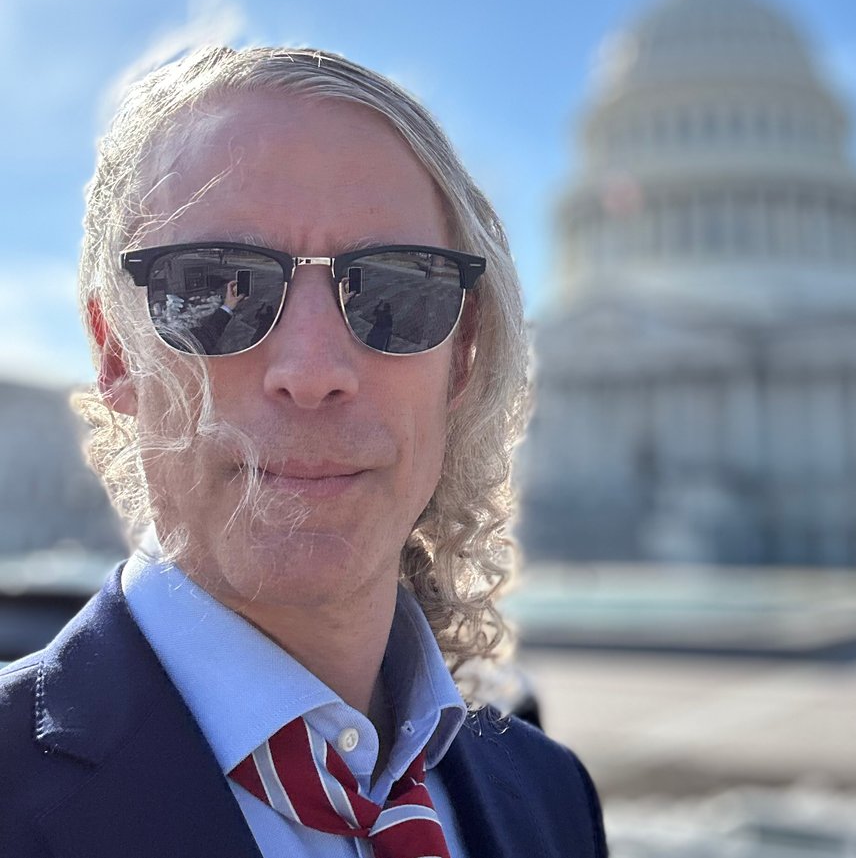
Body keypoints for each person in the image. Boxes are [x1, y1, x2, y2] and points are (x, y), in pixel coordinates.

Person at [0, 47, 607, 857]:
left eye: (396, 291)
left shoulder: (551, 799)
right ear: (115, 356)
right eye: (216, 289)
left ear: (462, 355)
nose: (313, 371)